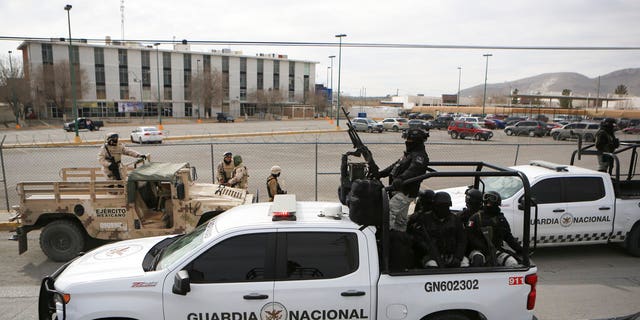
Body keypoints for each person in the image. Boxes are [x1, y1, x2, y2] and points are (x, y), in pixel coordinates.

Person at [379, 128, 430, 232]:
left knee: (388, 211)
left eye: (409, 140)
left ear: (416, 141)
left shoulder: (419, 156)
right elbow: (395, 166)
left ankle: (386, 236)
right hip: (400, 190)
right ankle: (400, 238)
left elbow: (414, 170)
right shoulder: (409, 154)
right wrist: (381, 174)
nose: (407, 142)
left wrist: (401, 178)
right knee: (400, 220)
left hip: (406, 191)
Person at [408, 192, 468, 268]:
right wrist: (429, 249)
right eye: (440, 206)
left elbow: (462, 240)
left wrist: (458, 257)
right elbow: (417, 239)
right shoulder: (424, 219)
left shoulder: (456, 220)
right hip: (430, 256)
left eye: (446, 206)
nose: (443, 209)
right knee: (432, 265)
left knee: (465, 264)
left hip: (452, 255)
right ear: (435, 206)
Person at [467, 191, 523, 267]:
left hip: (496, 250)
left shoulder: (501, 220)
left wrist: (520, 250)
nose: (489, 203)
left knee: (512, 263)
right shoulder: (475, 218)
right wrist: (484, 248)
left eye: (492, 201)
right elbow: (470, 237)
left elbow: (508, 237)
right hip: (478, 250)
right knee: (478, 260)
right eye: (487, 200)